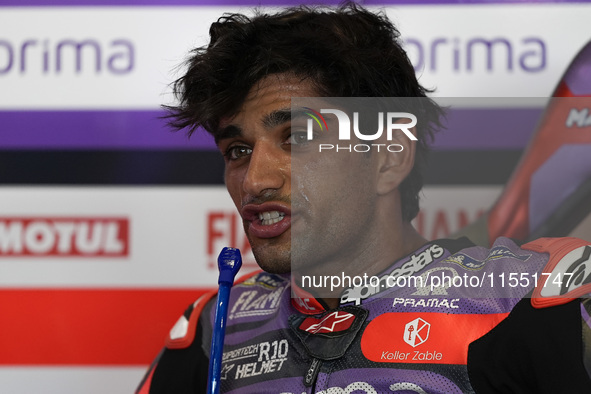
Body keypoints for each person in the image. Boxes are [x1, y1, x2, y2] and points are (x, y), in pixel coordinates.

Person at [137, 4, 591, 393]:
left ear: (390, 159)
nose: (255, 181)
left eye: (296, 137)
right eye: (238, 150)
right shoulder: (217, 326)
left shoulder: (520, 300)